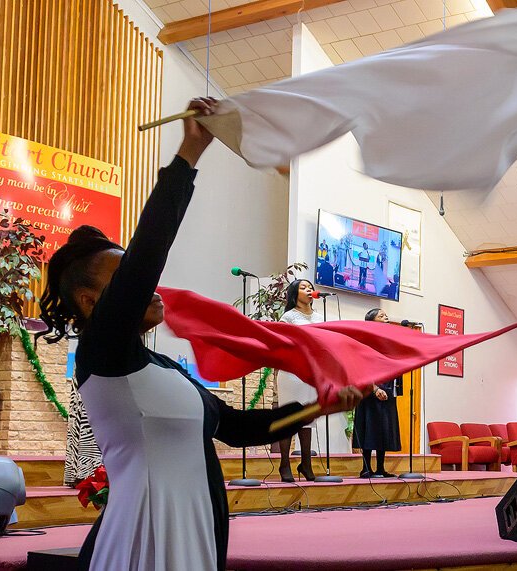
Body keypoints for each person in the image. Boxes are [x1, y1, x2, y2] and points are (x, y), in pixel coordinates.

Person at [35, 99, 363, 570]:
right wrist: (190, 152)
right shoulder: (101, 354)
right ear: (90, 302)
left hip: (193, 535)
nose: (149, 285)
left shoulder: (162, 370)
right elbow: (149, 251)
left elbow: (240, 428)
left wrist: (318, 407)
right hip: (142, 539)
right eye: (129, 277)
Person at [275, 279, 322, 483]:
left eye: (310, 287)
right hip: (292, 372)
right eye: (303, 287)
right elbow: (281, 344)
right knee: (290, 416)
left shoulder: (321, 317)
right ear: (295, 294)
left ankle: (306, 463)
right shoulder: (288, 316)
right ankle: (285, 463)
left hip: (311, 372)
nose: (308, 290)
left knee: (307, 418)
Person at [355, 308, 403, 478]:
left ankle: (381, 468)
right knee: (369, 428)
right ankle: (366, 468)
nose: (386, 317)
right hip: (370, 391)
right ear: (371, 321)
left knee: (383, 429)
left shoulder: (390, 341)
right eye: (381, 316)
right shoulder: (365, 341)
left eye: (386, 315)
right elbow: (362, 366)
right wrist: (374, 388)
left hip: (388, 388)